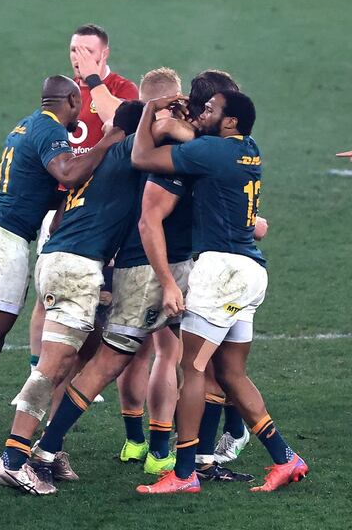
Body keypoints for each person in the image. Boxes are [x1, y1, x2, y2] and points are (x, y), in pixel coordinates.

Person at [132, 91, 307, 494]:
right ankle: (285, 459)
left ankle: (184, 472)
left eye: (211, 110)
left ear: (230, 122)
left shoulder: (211, 152)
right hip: (251, 271)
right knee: (229, 372)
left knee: (191, 369)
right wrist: (190, 122)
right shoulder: (249, 148)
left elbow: (141, 157)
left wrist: (148, 111)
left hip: (221, 270)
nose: (203, 115)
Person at [26, 70, 193, 485]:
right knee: (182, 360)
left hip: (114, 263)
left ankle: (163, 450)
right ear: (170, 103)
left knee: (123, 360)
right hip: (155, 269)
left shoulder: (117, 149)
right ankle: (185, 459)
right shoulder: (156, 144)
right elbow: (149, 216)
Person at [0, 75, 107, 480]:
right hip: (5, 240)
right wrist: (107, 142)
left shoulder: (26, 123)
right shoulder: (52, 128)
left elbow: (43, 186)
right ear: (71, 99)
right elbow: (66, 173)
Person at [0, 102, 145, 495]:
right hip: (75, 267)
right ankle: (12, 459)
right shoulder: (129, 151)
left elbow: (59, 217)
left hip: (61, 259)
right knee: (53, 365)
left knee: (69, 362)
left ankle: (46, 450)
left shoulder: (96, 158)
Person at [27, 24, 139, 404]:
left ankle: (71, 368)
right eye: (74, 50)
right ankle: (39, 369)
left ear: (103, 55)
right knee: (46, 295)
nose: (79, 58)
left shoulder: (121, 91)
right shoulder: (64, 93)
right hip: (61, 202)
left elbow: (124, 130)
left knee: (99, 298)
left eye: (87, 52)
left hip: (97, 211)